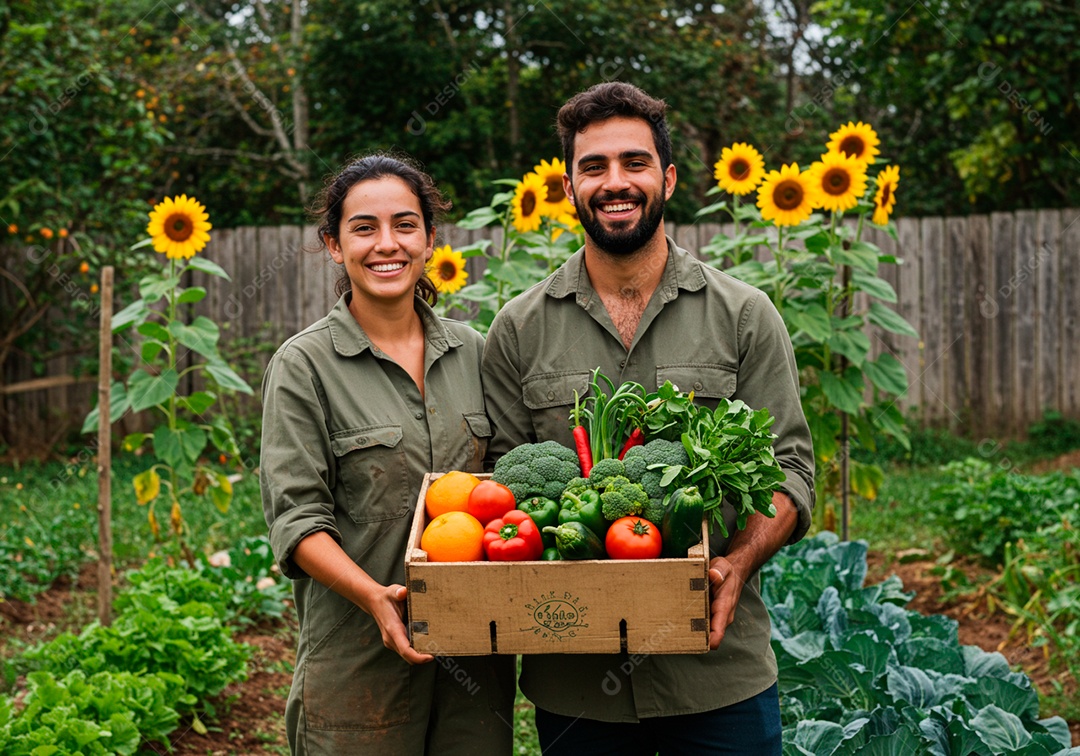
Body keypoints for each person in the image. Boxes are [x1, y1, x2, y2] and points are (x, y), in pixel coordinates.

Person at [481, 82, 815, 754]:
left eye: (634, 163)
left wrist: (738, 564)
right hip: (576, 681)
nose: (615, 182)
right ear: (570, 188)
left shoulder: (744, 315)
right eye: (593, 167)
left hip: (719, 670)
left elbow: (792, 471)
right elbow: (500, 492)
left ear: (666, 177)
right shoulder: (517, 329)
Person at [261, 154, 515, 754]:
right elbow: (296, 520)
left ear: (430, 239)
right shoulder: (304, 367)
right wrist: (375, 598)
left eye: (405, 225)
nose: (387, 245)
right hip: (357, 664)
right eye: (363, 228)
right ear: (333, 244)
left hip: (473, 662)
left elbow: (508, 492)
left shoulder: (475, 353)